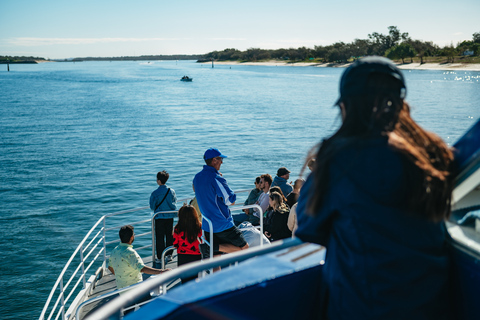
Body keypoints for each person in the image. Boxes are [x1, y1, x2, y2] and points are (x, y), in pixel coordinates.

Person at [295, 56, 454, 320]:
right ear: (400, 105)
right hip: (433, 303)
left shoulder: (338, 163)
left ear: (345, 106)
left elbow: (309, 229)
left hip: (366, 307)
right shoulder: (431, 154)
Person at [193, 148, 249, 257]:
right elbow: (230, 200)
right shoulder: (216, 178)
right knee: (245, 249)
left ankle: (213, 248)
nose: (222, 162)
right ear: (214, 160)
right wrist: (222, 182)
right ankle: (214, 247)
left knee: (216, 260)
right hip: (222, 223)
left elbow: (197, 189)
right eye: (220, 159)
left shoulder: (197, 177)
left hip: (207, 225)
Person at [107, 225, 169, 314]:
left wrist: (121, 274)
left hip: (122, 290)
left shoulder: (114, 251)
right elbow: (142, 268)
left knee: (128, 314)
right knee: (149, 310)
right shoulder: (130, 253)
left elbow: (110, 267)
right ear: (132, 237)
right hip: (137, 289)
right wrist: (161, 272)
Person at [149, 170, 177, 262]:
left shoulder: (154, 193)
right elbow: (174, 202)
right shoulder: (171, 191)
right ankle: (169, 255)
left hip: (159, 217)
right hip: (170, 217)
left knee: (160, 237)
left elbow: (152, 207)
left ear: (159, 181)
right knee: (169, 236)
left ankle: (160, 257)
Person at [173, 205, 202, 283]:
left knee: (184, 279)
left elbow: (175, 243)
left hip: (183, 256)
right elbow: (203, 240)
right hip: (197, 255)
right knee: (195, 278)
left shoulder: (177, 228)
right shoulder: (199, 226)